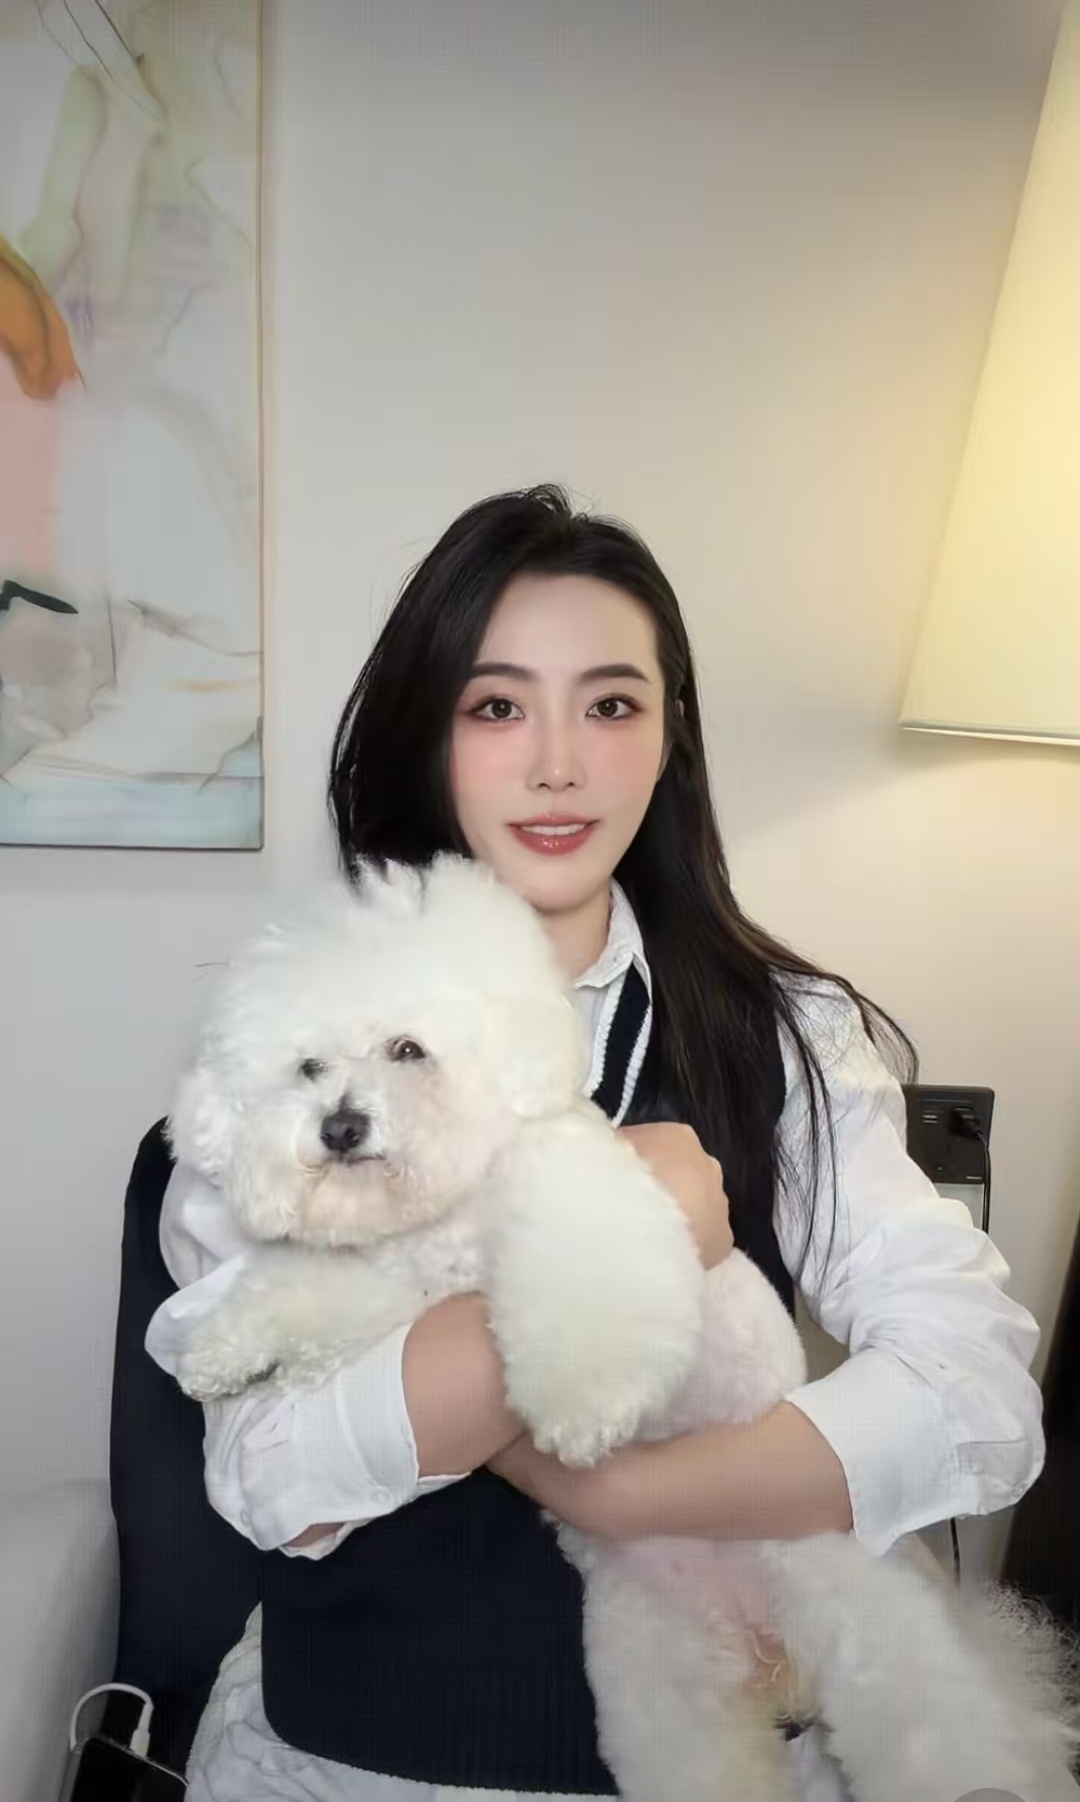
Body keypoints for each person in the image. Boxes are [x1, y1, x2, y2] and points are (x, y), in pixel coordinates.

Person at [146, 484, 1045, 1802]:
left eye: (611, 705)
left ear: (670, 734)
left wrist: (631, 1495)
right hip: (355, 1763)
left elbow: (975, 1388)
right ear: (426, 732)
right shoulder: (291, 1038)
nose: (558, 764)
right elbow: (270, 1476)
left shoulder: (788, 1033)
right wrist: (625, 1240)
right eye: (497, 707)